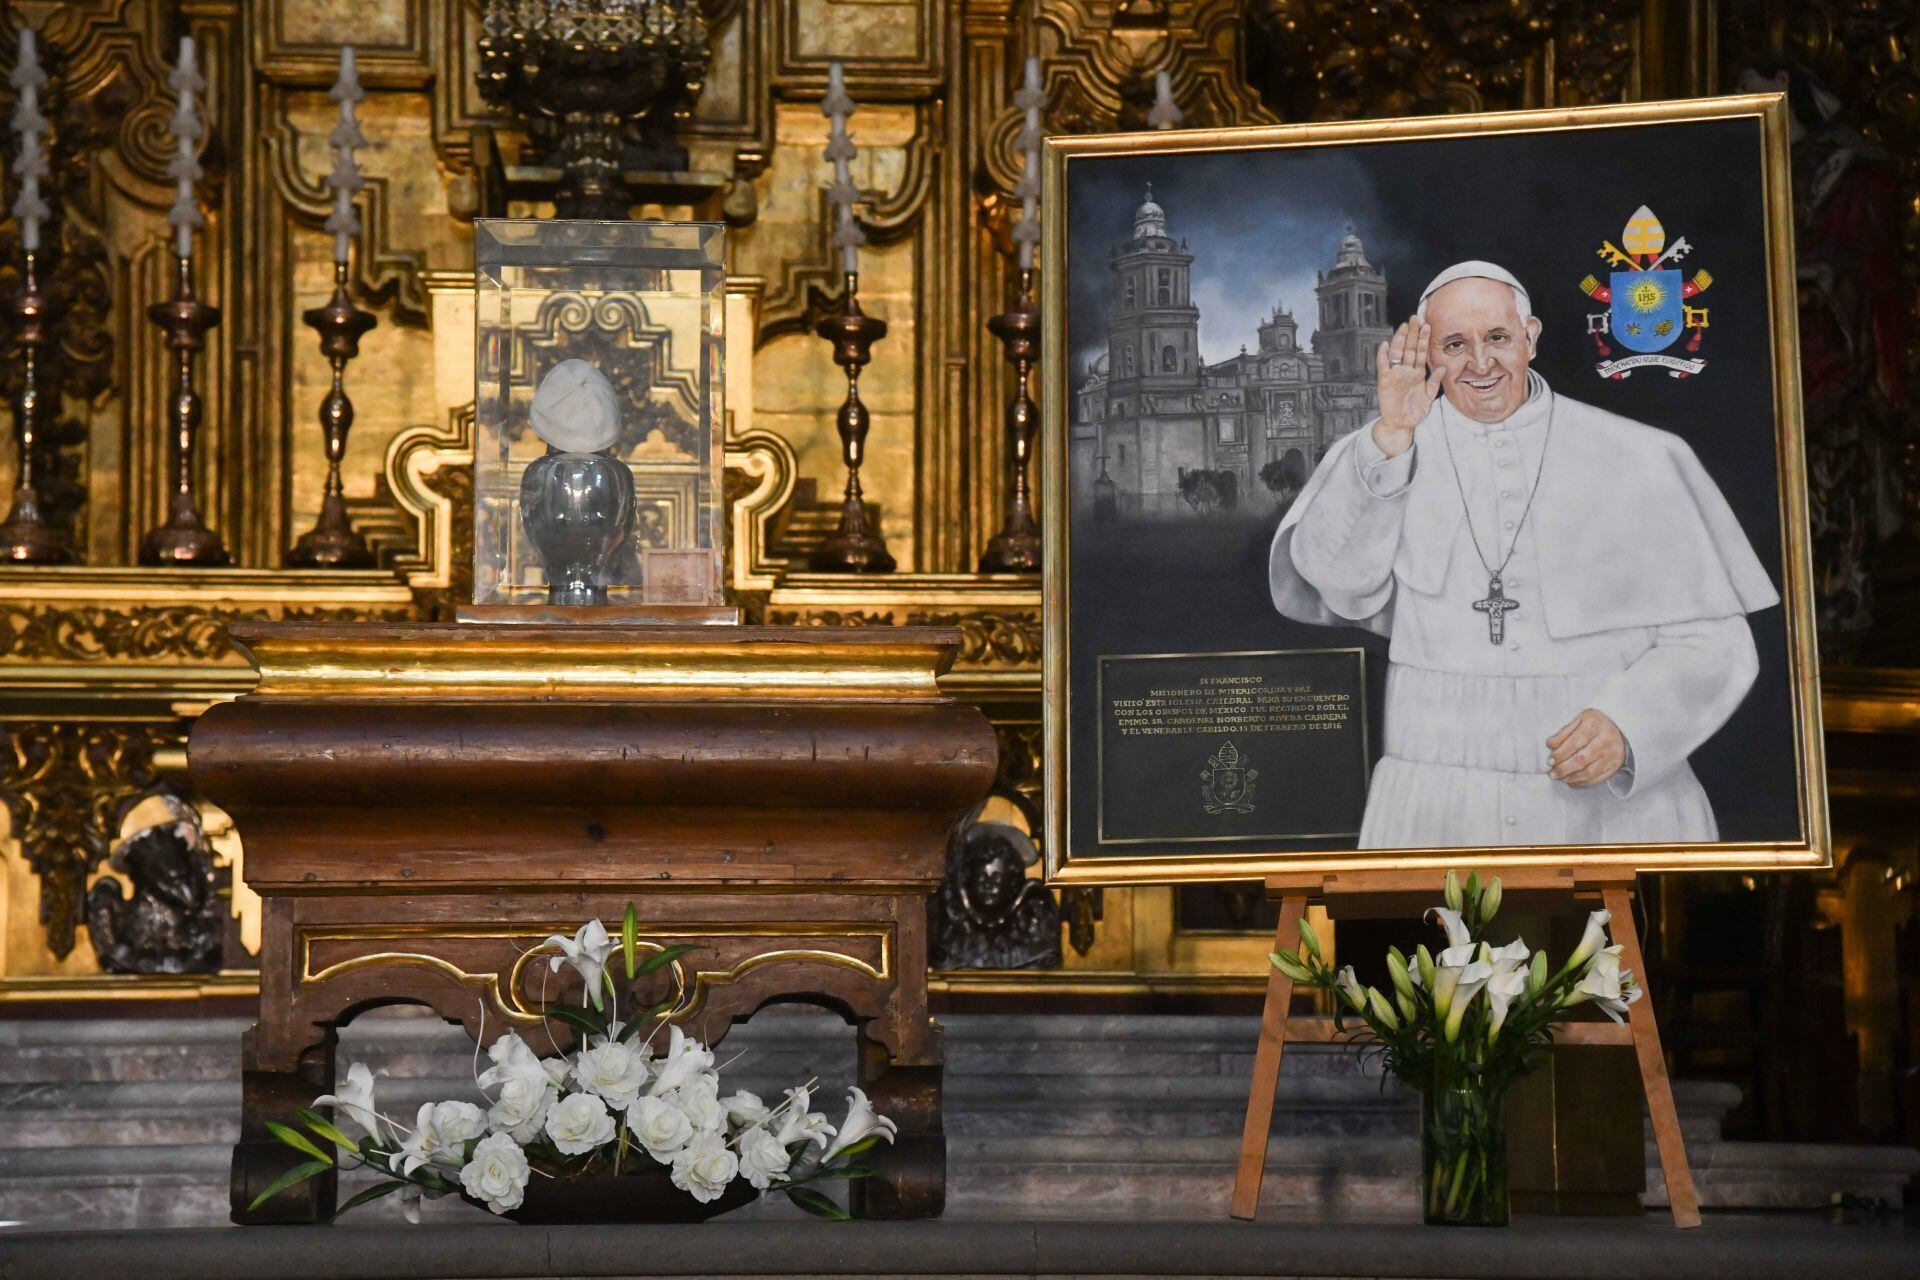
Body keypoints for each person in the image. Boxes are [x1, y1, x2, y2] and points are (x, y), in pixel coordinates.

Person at [1268, 261, 1779, 848]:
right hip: (1435, 799)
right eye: (1454, 345)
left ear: (1530, 337)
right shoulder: (1382, 451)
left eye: (1497, 338)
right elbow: (1339, 585)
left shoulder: (1641, 457)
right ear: (1426, 352)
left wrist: (1630, 727)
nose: (1480, 363)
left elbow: (1717, 644)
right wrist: (1392, 440)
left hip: (1608, 807)